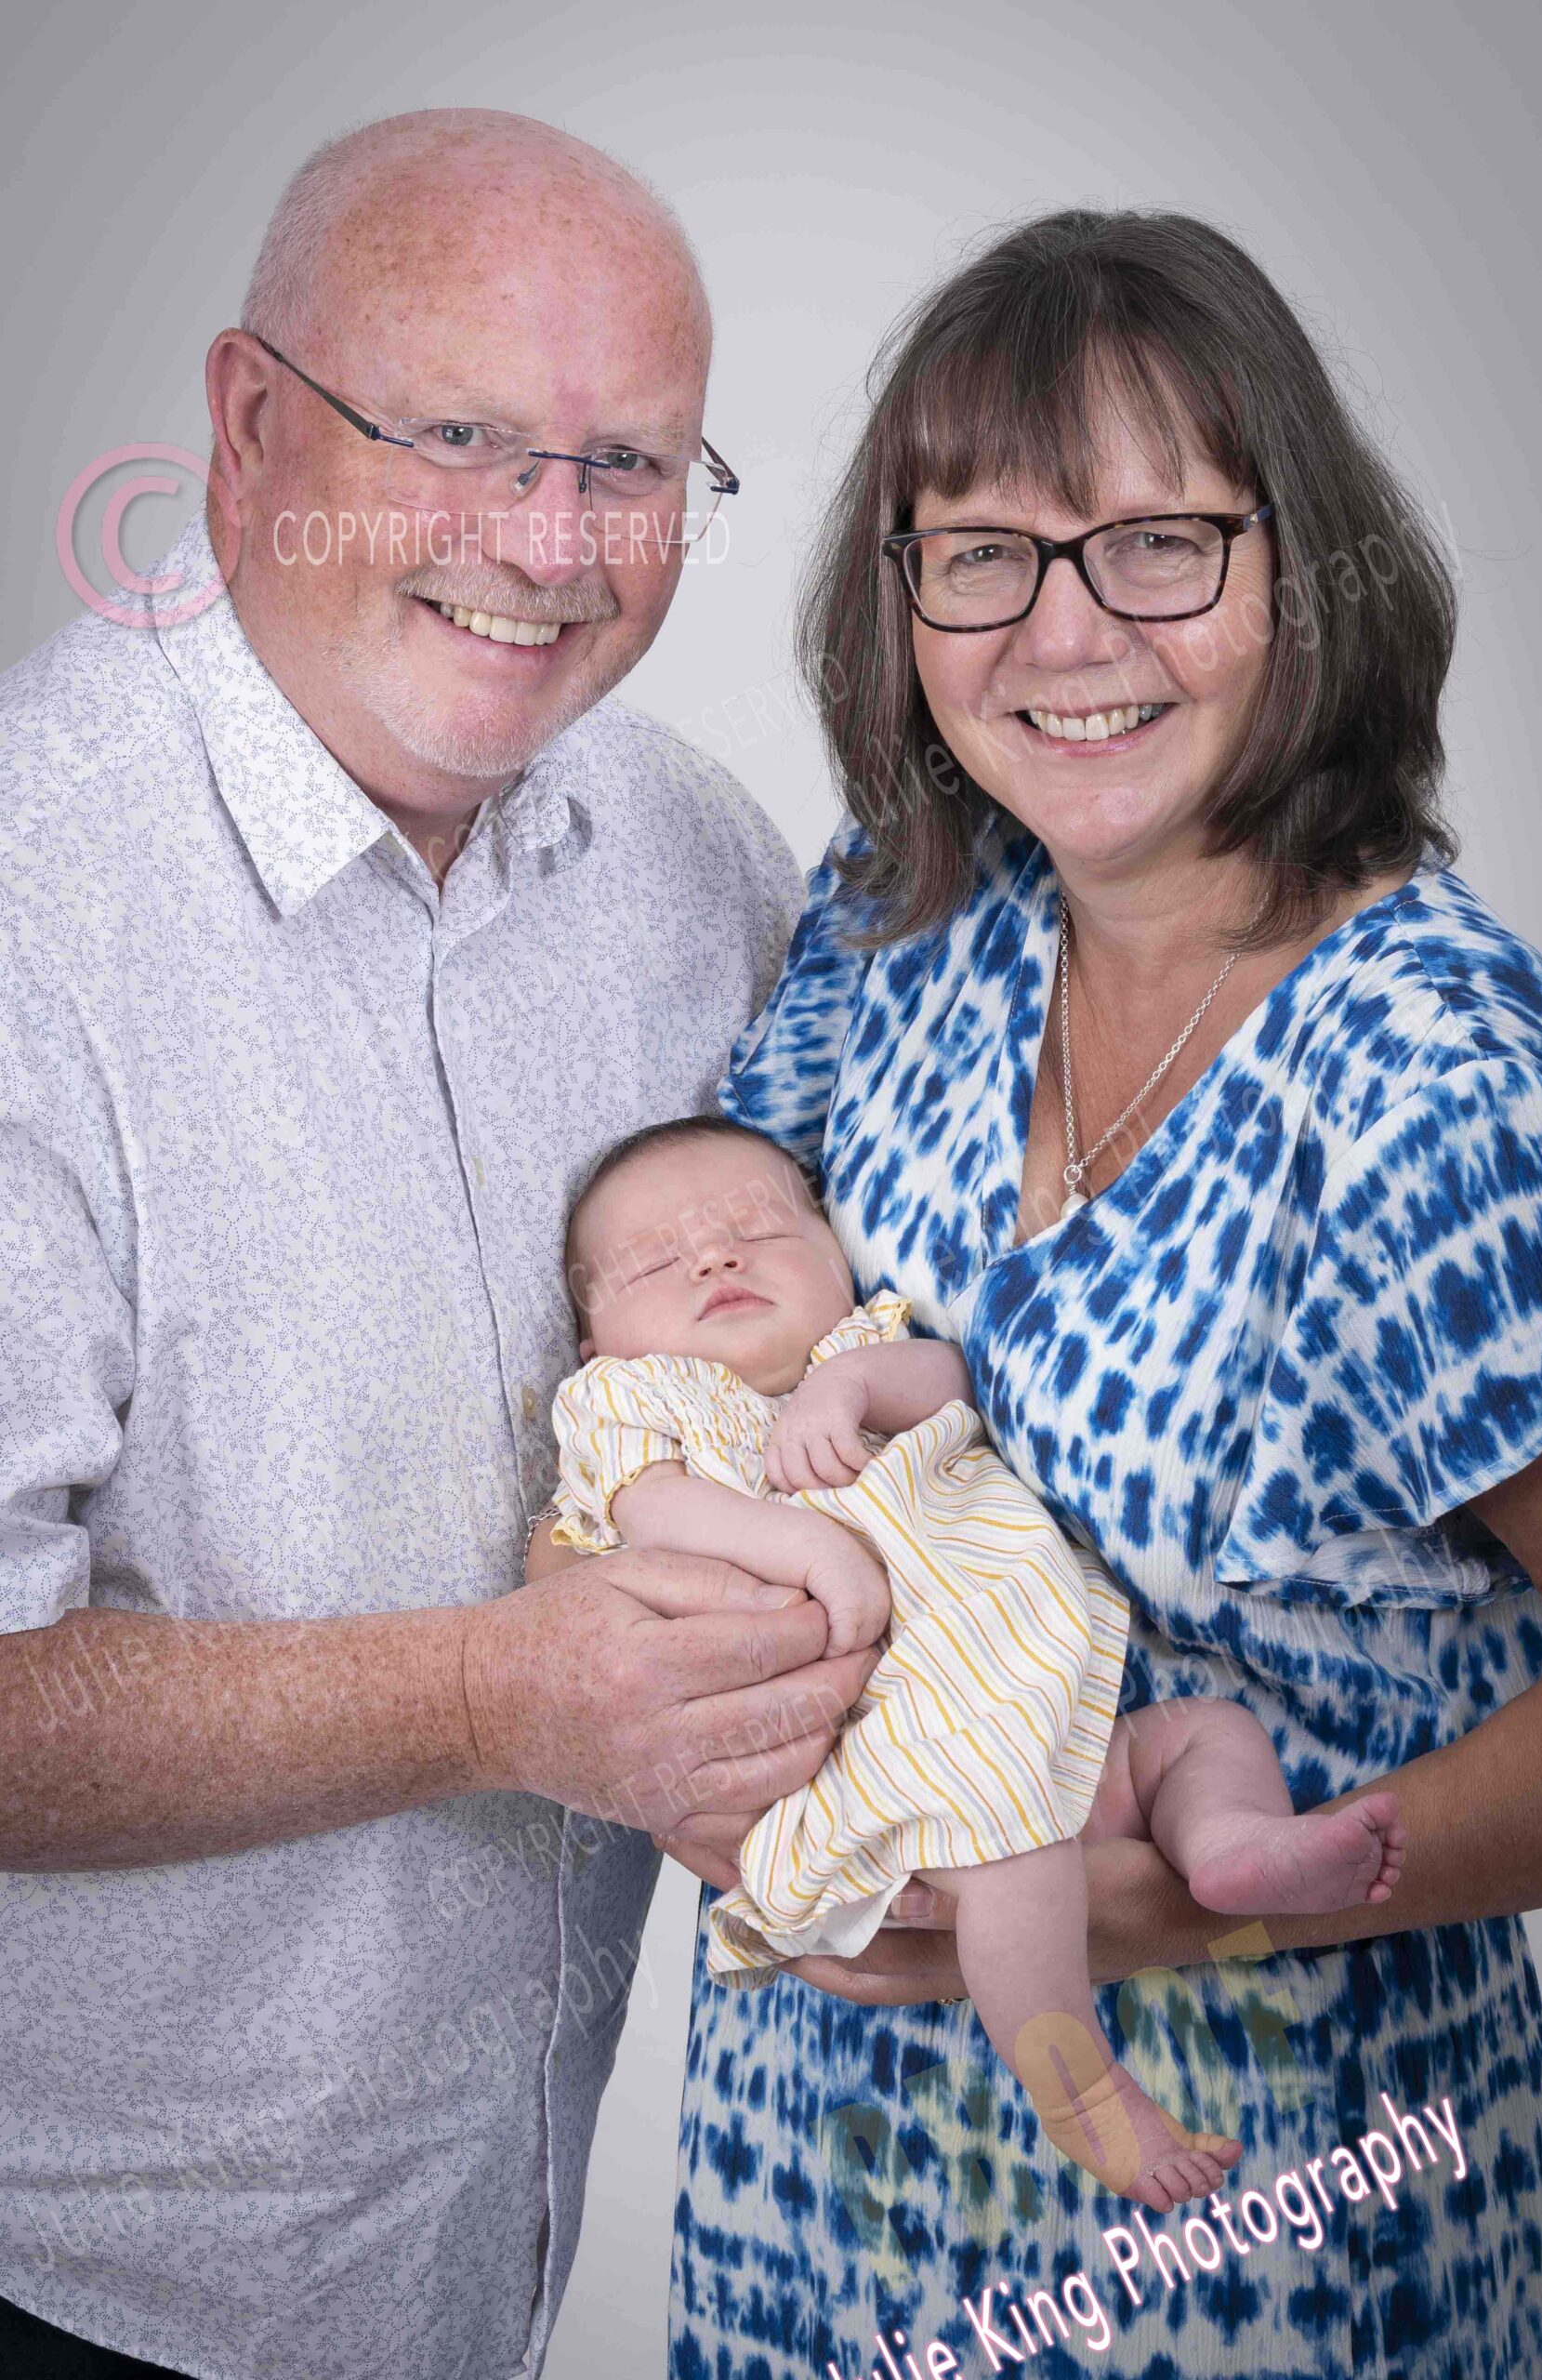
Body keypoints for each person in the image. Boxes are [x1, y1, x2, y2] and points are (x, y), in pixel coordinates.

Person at [658, 210, 1542, 2377]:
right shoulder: (898, 921)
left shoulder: (1429, 1078)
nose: (1062, 631)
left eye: (1156, 542)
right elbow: (697, 1347)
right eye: (979, 553)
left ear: (1299, 568)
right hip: (805, 2216)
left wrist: (1148, 1899)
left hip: (1253, 2238)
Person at [0, 108, 877, 2380]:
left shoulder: (691, 858)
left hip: (485, 2269)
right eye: (460, 434)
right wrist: (495, 1693)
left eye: (628, 463)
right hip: (75, 2295)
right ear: (248, 423)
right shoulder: (29, 903)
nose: (546, 543)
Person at [544, 1112, 1407, 2212]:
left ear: (834, 1253)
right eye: (656, 1264)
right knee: (1013, 1859)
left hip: (1037, 1718)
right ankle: (1081, 2092)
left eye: (758, 1232)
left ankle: (1234, 1845)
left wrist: (848, 1389)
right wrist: (805, 1547)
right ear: (593, 1341)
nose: (716, 1258)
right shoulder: (631, 1403)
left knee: (1199, 1737)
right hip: (892, 1760)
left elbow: (960, 1379)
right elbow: (650, 1511)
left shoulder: (861, 1350)